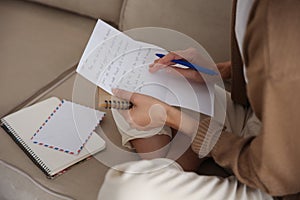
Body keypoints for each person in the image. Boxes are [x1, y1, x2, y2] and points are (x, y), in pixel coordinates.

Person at [98, 0, 300, 199]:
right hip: (255, 115)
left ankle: (171, 174)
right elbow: (269, 66)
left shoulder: (280, 16)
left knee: (125, 191)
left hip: (273, 180)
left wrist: (173, 118)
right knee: (129, 84)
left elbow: (278, 175)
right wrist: (218, 71)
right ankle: (175, 169)